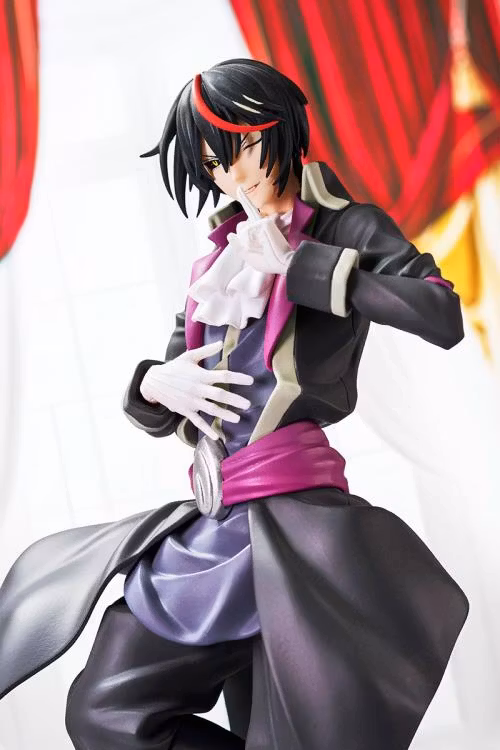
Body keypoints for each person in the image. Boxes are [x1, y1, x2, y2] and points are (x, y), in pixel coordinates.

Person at [0, 59, 468, 750]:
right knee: (105, 710)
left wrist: (302, 267)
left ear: (279, 128)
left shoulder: (345, 226)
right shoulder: (219, 256)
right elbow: (177, 372)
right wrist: (153, 384)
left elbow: (440, 313)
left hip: (293, 515)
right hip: (214, 517)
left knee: (284, 731)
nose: (233, 175)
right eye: (215, 164)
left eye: (242, 148)